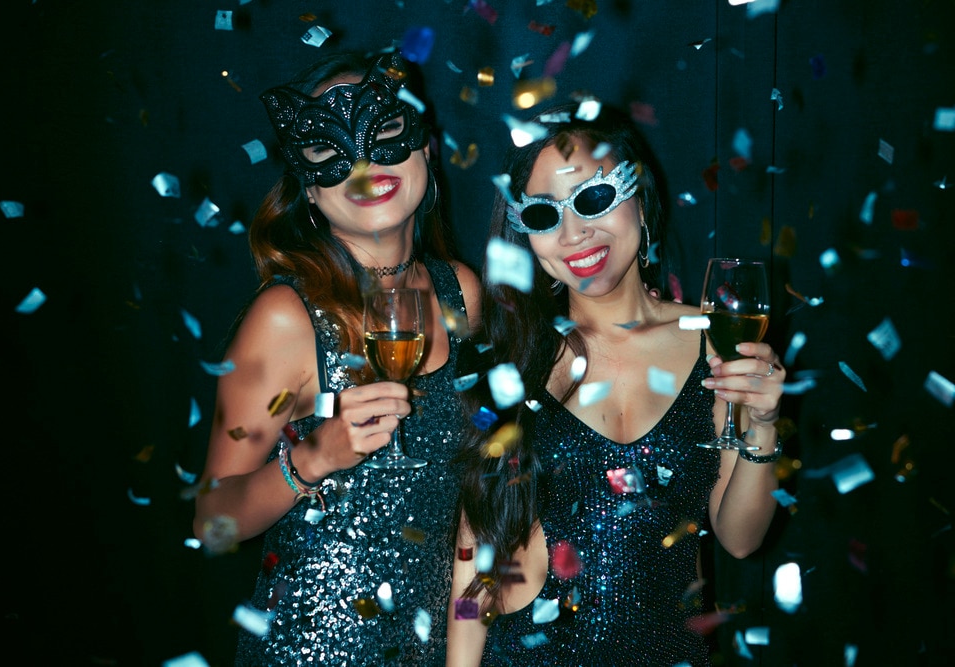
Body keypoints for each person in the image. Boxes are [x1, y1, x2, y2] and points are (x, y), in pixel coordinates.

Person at [446, 103, 783, 666]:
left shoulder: (716, 341)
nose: (574, 233)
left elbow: (741, 538)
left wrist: (765, 427)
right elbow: (472, 563)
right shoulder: (513, 360)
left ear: (640, 201)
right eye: (544, 216)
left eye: (594, 198)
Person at [192, 50, 481, 666]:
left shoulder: (460, 293)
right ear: (312, 191)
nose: (366, 165)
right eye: (329, 150)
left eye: (385, 132)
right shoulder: (285, 318)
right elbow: (211, 525)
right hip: (311, 650)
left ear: (426, 149)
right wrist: (313, 458)